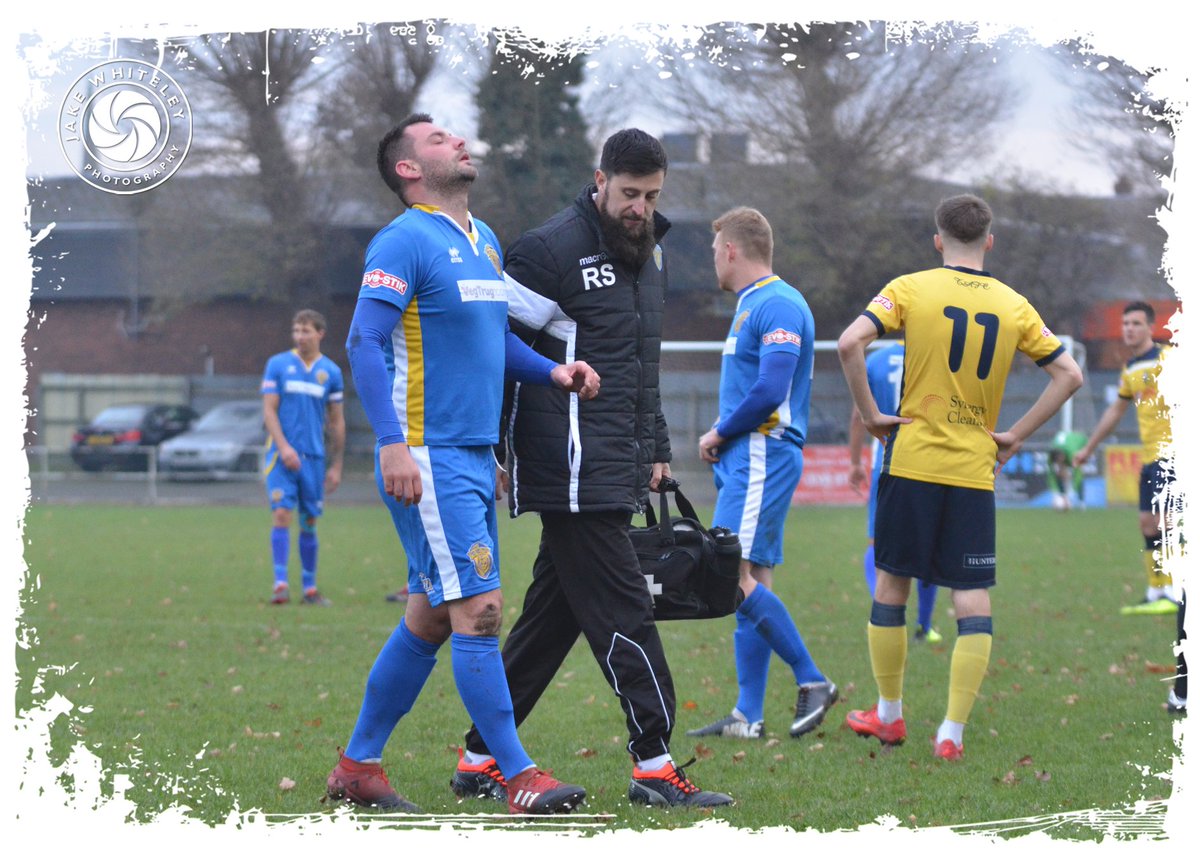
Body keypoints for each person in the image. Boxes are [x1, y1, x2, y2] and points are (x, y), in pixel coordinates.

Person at [326, 114, 598, 815]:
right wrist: (390, 442)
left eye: (456, 134)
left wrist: (553, 372)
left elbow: (495, 338)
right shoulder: (405, 239)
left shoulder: (482, 241)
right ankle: (517, 774)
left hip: (473, 455)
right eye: (439, 138)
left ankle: (358, 764)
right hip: (425, 452)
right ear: (409, 169)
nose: (458, 140)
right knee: (478, 610)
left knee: (431, 617)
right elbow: (363, 340)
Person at [452, 129, 732, 809]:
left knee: (555, 616)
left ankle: (480, 754)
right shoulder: (547, 251)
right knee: (624, 610)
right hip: (567, 463)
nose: (640, 207)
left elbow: (643, 362)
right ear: (599, 179)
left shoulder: (651, 255)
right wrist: (493, 449)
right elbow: (489, 350)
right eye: (629, 193)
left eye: (652, 195)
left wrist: (657, 447)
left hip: (619, 458)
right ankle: (654, 763)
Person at [837, 194, 1083, 761]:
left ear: (937, 239)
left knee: (892, 582)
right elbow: (1068, 375)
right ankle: (952, 732)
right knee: (971, 595)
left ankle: (890, 716)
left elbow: (851, 342)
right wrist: (1015, 433)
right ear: (990, 241)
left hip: (913, 460)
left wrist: (872, 414)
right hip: (974, 469)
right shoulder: (1014, 304)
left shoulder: (909, 287)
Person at [684, 207, 838, 741]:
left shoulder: (777, 303)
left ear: (730, 249)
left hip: (760, 453)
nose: (713, 261)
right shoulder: (755, 305)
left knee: (729, 576)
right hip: (749, 455)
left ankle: (812, 679)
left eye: (713, 251)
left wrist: (719, 432)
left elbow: (771, 391)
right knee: (753, 579)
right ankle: (747, 716)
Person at [1072, 301, 1180, 615]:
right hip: (1150, 456)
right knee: (1147, 523)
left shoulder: (1168, 359)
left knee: (1165, 520)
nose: (1129, 329)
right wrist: (1089, 448)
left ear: (1150, 327)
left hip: (1173, 453)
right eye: (1125, 324)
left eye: (1135, 323)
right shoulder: (1131, 369)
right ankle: (1155, 592)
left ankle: (1176, 591)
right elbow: (1115, 412)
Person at [848, 340, 942, 643]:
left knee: (877, 541)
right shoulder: (935, 353)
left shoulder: (876, 360)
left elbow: (857, 416)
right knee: (929, 544)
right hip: (930, 459)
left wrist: (854, 463)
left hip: (885, 460)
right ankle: (923, 627)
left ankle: (884, 607)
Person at [261, 309, 345, 606]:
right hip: (281, 457)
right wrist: (284, 447)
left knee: (309, 521)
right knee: (282, 514)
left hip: (314, 459)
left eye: (306, 331)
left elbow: (336, 421)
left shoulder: (331, 373)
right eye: (296, 331)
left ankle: (309, 588)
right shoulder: (278, 365)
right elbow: (269, 410)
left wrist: (336, 465)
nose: (300, 336)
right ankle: (280, 584)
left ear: (320, 333)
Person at [1046, 428, 1088, 510]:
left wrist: (1072, 491)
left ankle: (1081, 501)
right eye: (1057, 462)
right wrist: (1055, 492)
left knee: (1079, 475)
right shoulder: (1050, 457)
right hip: (1067, 446)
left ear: (1062, 456)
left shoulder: (1072, 453)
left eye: (1060, 460)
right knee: (1059, 474)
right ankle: (1063, 498)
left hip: (1083, 444)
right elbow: (1050, 475)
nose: (1059, 463)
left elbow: (1078, 474)